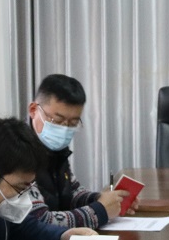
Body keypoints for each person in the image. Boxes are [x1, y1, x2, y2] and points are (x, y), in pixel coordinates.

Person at [26, 74, 130, 228]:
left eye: (73, 123)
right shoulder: (17, 153)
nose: (64, 129)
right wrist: (100, 211)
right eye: (58, 121)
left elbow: (72, 192)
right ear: (34, 110)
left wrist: (106, 200)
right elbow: (40, 221)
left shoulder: (56, 150)